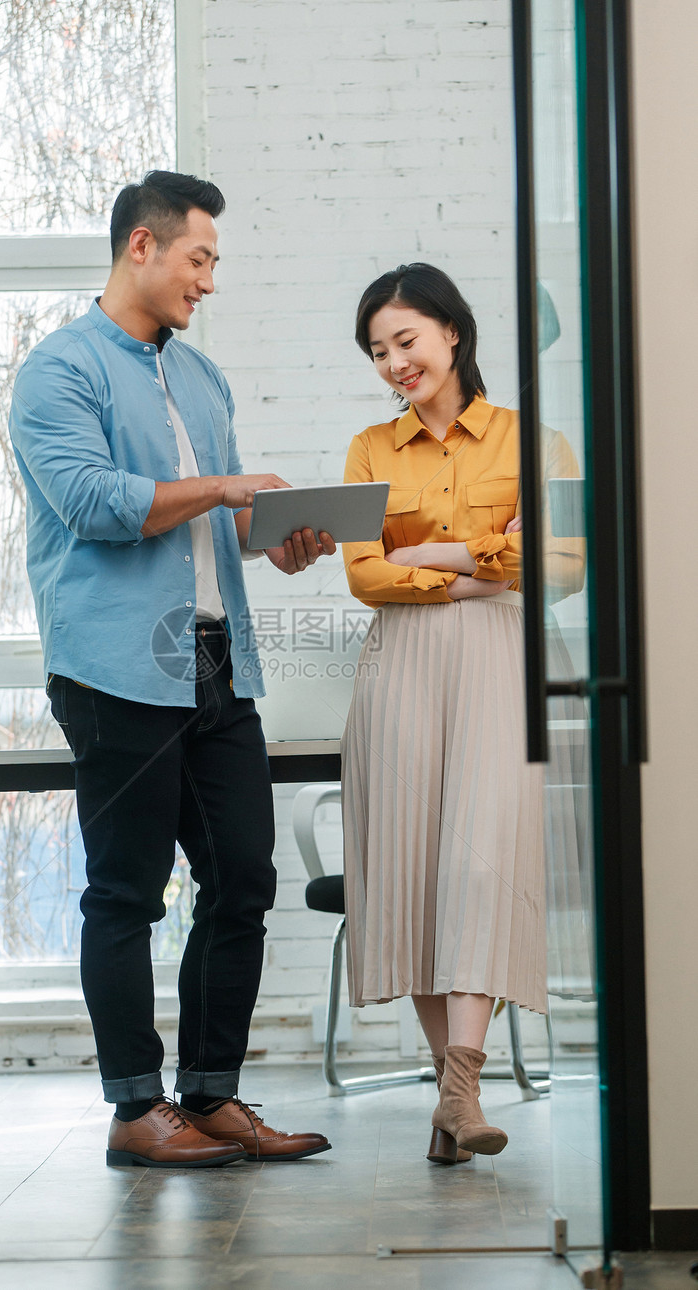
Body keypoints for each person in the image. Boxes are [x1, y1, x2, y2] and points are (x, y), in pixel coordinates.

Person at [9, 170, 335, 1168]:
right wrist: (227, 486)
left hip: (213, 664)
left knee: (242, 876)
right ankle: (134, 1110)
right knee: (127, 892)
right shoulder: (56, 372)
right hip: (112, 671)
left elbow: (214, 521)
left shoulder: (200, 378)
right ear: (141, 249)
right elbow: (100, 506)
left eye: (214, 263)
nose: (208, 281)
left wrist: (272, 537)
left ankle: (210, 1093)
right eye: (199, 259)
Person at [340, 263, 583, 1165]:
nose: (395, 364)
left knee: (481, 863)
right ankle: (457, 1100)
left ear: (451, 331)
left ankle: (462, 1087)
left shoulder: (534, 442)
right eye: (378, 352)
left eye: (405, 341)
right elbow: (366, 576)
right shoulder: (371, 448)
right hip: (402, 668)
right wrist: (486, 555)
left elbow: (565, 566)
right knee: (411, 869)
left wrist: (436, 550)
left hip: (501, 661)